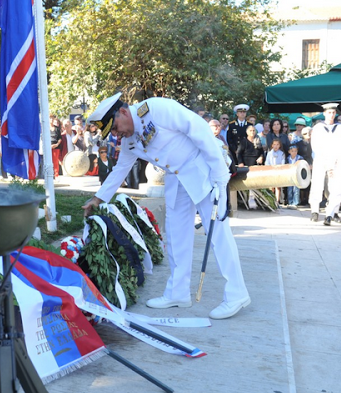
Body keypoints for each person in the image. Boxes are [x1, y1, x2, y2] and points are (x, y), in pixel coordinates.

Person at [82, 93, 250, 320]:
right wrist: (98, 199)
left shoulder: (156, 108)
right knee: (176, 235)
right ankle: (177, 293)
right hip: (176, 179)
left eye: (115, 127)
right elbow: (120, 169)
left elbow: (198, 129)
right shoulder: (129, 139)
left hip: (201, 171)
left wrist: (220, 174)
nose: (115, 134)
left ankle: (236, 294)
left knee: (217, 233)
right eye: (111, 132)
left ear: (123, 112)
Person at [309, 103, 341, 222]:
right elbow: (315, 146)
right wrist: (325, 160)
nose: (331, 115)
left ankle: (334, 212)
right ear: (324, 113)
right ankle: (315, 211)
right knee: (317, 185)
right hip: (320, 159)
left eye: (333, 113)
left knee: (335, 187)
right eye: (329, 113)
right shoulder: (318, 128)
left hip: (335, 161)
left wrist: (335, 160)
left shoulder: (340, 128)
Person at [265, 139, 286, 204]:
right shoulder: (269, 153)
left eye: (277, 144)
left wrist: (279, 168)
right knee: (271, 187)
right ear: (272, 145)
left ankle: (277, 201)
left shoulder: (282, 153)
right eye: (274, 144)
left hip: (278, 171)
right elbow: (267, 162)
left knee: (278, 187)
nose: (276, 146)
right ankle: (272, 200)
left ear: (279, 145)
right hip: (271, 171)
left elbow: (283, 162)